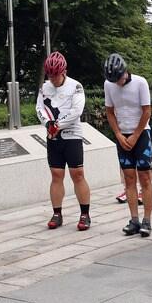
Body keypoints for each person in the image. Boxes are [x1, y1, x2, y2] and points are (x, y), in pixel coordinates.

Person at [38, 51, 91, 230]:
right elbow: (40, 108)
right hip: (53, 136)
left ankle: (84, 214)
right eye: (50, 75)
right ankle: (57, 213)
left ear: (64, 72)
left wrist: (57, 124)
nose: (52, 78)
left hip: (72, 135)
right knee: (56, 174)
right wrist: (48, 124)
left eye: (55, 75)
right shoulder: (45, 87)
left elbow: (77, 110)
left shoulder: (75, 86)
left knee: (77, 174)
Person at [104, 53, 152, 237]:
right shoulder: (108, 84)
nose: (118, 83)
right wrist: (118, 134)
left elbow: (147, 111)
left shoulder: (140, 83)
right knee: (129, 178)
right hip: (122, 134)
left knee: (145, 177)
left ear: (125, 71)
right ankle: (134, 219)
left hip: (141, 133)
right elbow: (110, 111)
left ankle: (147, 220)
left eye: (119, 78)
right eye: (114, 80)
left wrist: (135, 135)